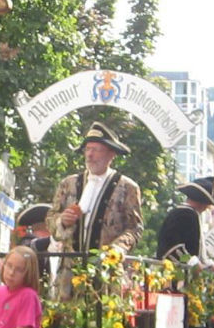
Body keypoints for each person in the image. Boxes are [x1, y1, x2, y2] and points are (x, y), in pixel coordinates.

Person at [46, 122, 142, 296]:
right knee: (68, 321)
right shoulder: (68, 184)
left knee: (106, 320)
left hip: (107, 273)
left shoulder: (128, 187)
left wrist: (116, 250)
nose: (90, 155)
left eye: (96, 149)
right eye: (87, 149)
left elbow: (134, 229)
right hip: (69, 274)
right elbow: (51, 218)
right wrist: (62, 221)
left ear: (111, 154)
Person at [157, 177, 214, 262]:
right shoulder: (186, 214)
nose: (206, 208)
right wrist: (193, 263)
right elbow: (172, 246)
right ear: (202, 202)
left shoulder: (185, 213)